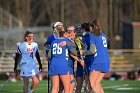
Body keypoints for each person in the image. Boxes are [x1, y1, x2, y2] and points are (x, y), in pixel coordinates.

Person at [48, 28, 77, 93]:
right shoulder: (66, 41)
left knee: (55, 88)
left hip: (53, 64)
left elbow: (49, 55)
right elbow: (74, 52)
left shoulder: (53, 42)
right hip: (62, 64)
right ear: (64, 34)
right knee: (67, 88)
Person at [89, 19, 110, 93]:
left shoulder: (93, 35)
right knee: (97, 83)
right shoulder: (103, 35)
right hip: (106, 61)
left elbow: (92, 51)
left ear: (92, 27)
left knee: (91, 84)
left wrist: (83, 52)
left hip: (98, 61)